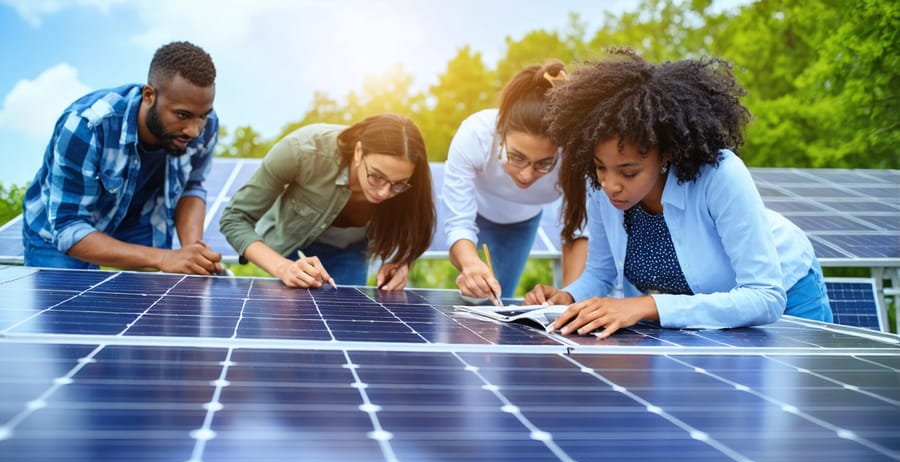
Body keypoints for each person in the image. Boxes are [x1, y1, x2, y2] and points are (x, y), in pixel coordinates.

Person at [525, 49, 833, 338]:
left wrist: (646, 306)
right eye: (600, 167)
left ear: (666, 154)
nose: (610, 184)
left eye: (629, 171)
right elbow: (601, 272)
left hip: (790, 291)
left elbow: (765, 296)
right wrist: (567, 296)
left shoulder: (720, 174)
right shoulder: (600, 185)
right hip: (707, 310)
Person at [22, 41, 223, 274]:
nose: (194, 131)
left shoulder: (206, 124)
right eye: (182, 115)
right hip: (61, 229)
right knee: (69, 307)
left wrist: (193, 251)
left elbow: (191, 186)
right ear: (149, 95)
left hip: (139, 220)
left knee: (147, 306)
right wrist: (163, 258)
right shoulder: (87, 126)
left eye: (202, 116)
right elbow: (68, 226)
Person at [219, 114, 436, 290]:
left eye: (398, 184)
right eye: (377, 177)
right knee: (288, 323)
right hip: (290, 245)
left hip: (350, 252)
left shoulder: (411, 179)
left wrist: (402, 262)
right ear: (359, 152)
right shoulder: (301, 151)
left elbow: (415, 229)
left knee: (344, 323)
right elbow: (234, 218)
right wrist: (282, 267)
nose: (384, 192)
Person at [442, 60, 587, 304]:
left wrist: (569, 299)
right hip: (476, 210)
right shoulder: (475, 135)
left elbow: (577, 231)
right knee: (475, 291)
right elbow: (458, 223)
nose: (526, 175)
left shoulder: (576, 156)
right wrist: (470, 266)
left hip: (522, 223)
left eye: (543, 163)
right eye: (517, 157)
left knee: (499, 297)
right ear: (501, 133)